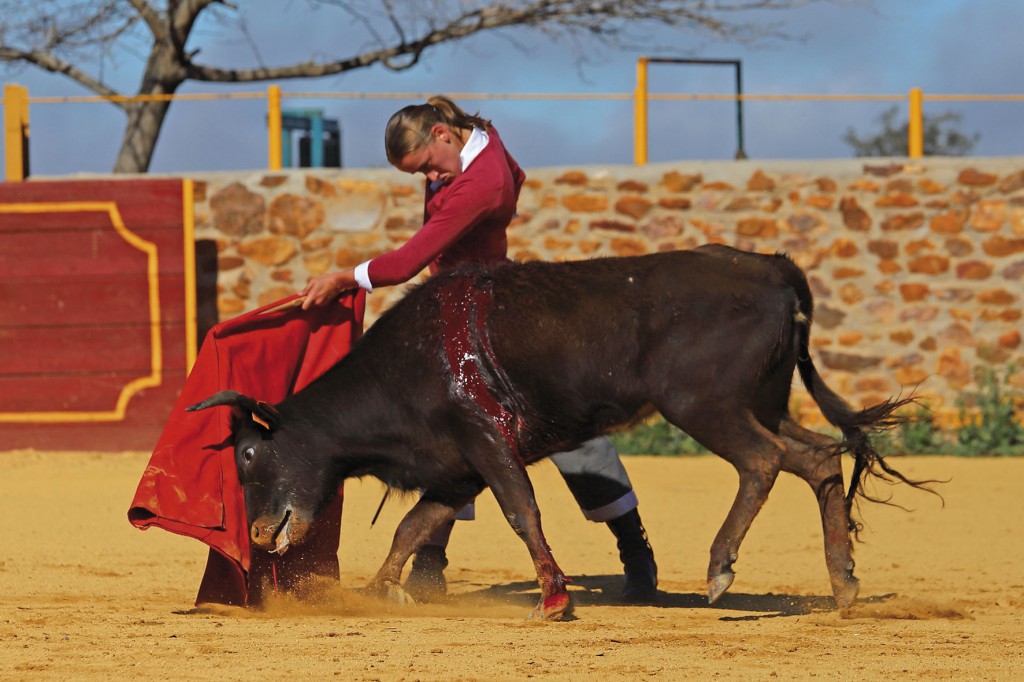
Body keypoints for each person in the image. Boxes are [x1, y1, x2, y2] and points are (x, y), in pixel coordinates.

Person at [301, 96, 658, 604]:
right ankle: (429, 561)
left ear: (442, 135)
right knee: (445, 431)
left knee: (570, 427)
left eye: (427, 167)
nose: (430, 179)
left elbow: (409, 260)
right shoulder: (476, 142)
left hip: (490, 309)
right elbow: (516, 175)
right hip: (456, 307)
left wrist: (347, 278)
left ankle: (634, 551)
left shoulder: (482, 182)